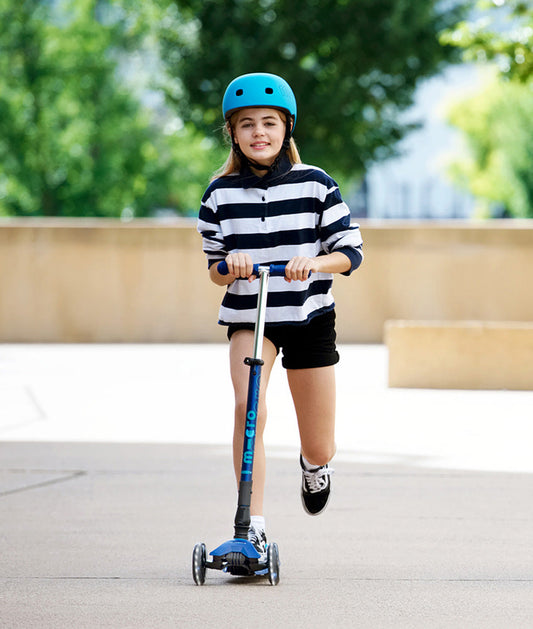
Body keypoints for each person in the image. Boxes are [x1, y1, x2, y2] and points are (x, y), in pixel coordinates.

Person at [197, 72, 363, 558]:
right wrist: (232, 268)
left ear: (286, 128)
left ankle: (314, 466)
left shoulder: (316, 184)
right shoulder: (218, 195)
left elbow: (351, 252)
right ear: (233, 133)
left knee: (320, 445)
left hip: (309, 315)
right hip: (251, 315)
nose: (258, 133)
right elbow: (214, 268)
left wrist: (315, 261)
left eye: (269, 123)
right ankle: (252, 526)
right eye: (246, 124)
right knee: (249, 407)